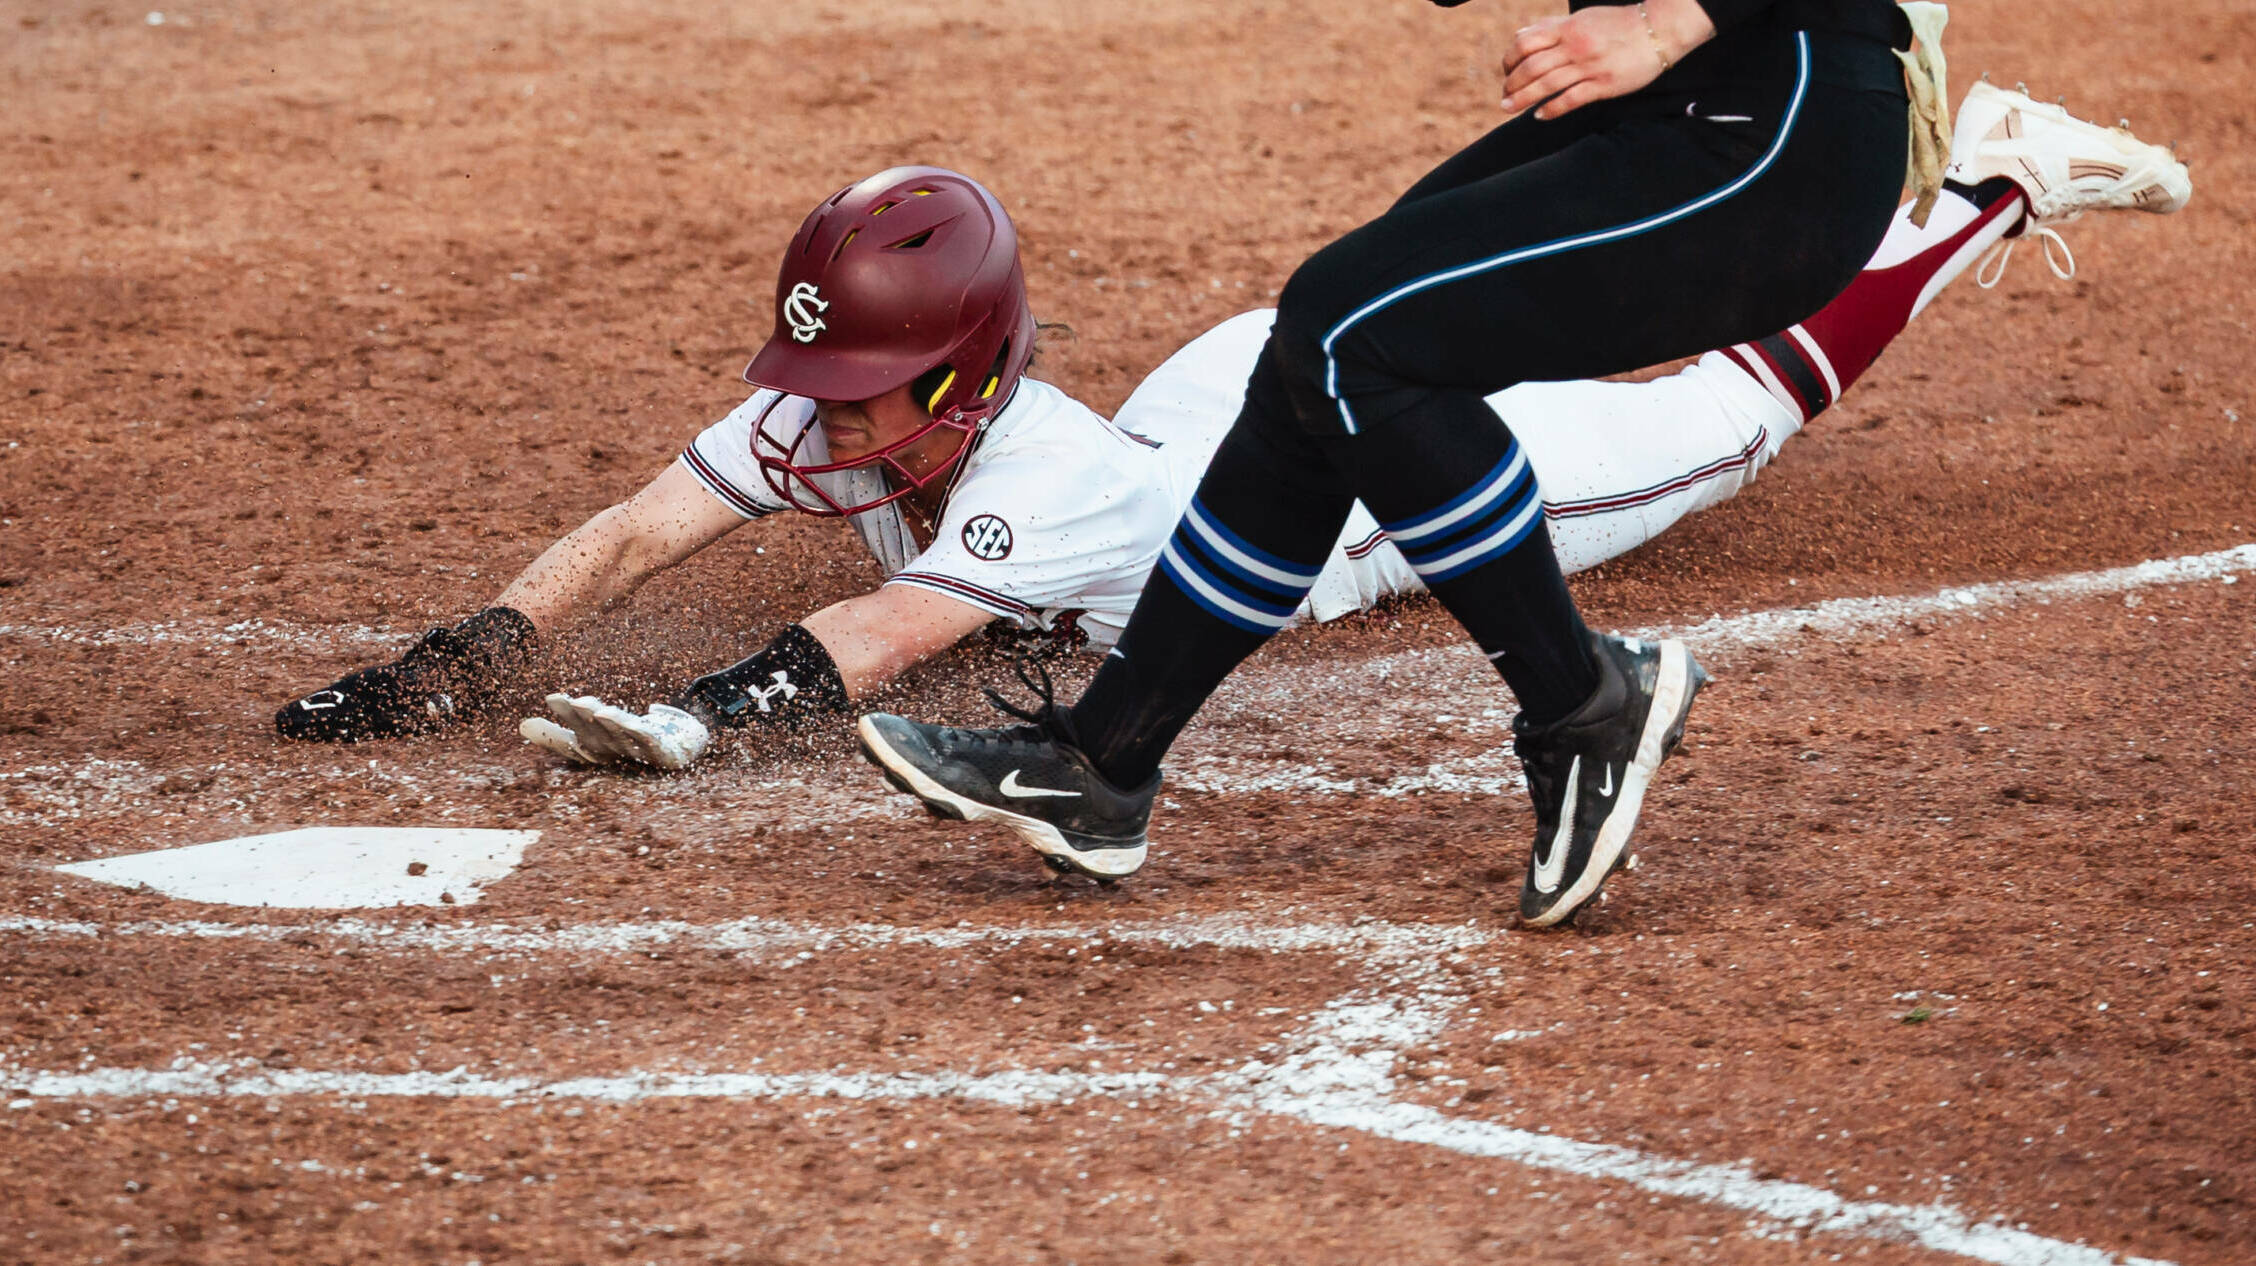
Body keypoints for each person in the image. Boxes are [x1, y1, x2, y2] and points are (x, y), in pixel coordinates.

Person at [277, 86, 2186, 834]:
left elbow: (889, 636)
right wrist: (454, 664)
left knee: (1729, 413)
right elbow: (638, 527)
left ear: (963, 380)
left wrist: (693, 720)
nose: (828, 421)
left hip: (1382, 506)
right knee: (1373, 300)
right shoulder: (840, 404)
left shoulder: (1038, 470)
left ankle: (1986, 182)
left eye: (870, 389)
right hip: (1231, 387)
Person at [854, 10, 2193, 930]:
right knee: (1313, 356)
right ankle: (1104, 761)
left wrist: (1671, 16)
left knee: (1348, 335)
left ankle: (1581, 699)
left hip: (1778, 121)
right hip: (1671, 107)